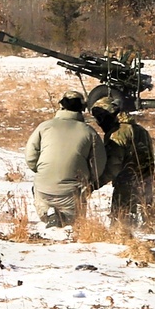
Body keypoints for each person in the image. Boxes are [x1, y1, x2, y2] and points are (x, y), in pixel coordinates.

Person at [25, 91, 106, 229]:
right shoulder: (89, 132)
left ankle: (49, 213)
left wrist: (42, 171)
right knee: (73, 223)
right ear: (82, 108)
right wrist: (89, 181)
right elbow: (98, 164)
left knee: (47, 208)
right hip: (72, 191)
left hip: (43, 187)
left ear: (61, 105)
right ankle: (60, 218)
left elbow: (30, 157)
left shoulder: (44, 127)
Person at [91, 96, 155, 227]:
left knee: (120, 228)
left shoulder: (118, 133)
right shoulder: (141, 130)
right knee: (154, 228)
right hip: (149, 185)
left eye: (101, 116)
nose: (98, 122)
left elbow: (113, 166)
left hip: (126, 189)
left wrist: (93, 184)